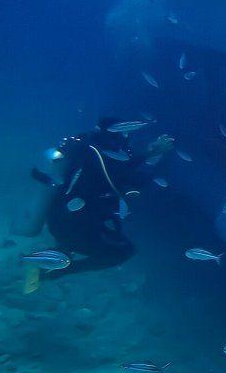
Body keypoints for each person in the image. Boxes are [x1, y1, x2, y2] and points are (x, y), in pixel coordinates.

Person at [11, 119, 169, 292]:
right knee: (124, 251)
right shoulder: (99, 158)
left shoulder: (84, 151)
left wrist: (146, 156)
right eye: (123, 134)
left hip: (61, 220)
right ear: (114, 136)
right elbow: (127, 178)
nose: (126, 142)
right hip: (75, 226)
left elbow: (120, 173)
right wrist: (153, 156)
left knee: (71, 244)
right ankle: (55, 272)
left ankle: (42, 263)